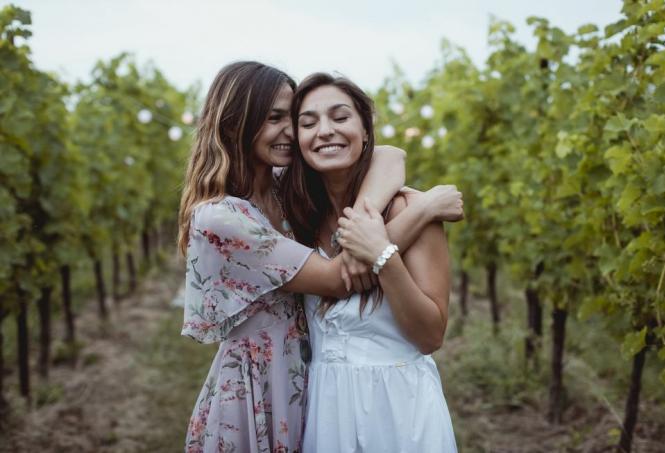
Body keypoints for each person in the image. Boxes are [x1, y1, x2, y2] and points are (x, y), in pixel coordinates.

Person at [178, 61, 463, 452]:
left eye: (289, 118)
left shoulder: (286, 194)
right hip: (259, 387)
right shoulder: (224, 216)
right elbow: (338, 278)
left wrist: (368, 218)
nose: (292, 132)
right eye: (277, 118)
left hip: (320, 388)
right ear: (235, 124)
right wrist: (421, 211)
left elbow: (391, 155)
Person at [282, 73, 460, 452]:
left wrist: (381, 255)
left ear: (366, 131)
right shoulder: (297, 218)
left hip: (401, 408)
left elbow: (431, 335)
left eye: (341, 117)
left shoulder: (409, 209)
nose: (325, 131)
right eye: (308, 123)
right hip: (326, 408)